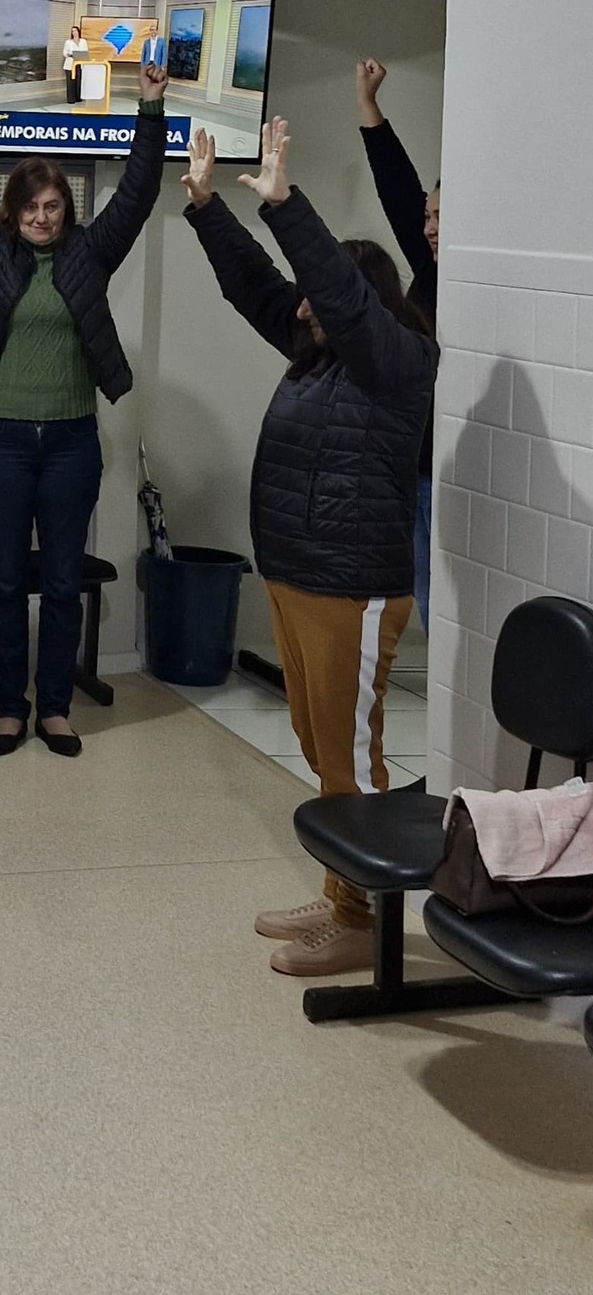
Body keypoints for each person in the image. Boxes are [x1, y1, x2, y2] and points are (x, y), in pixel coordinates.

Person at [182, 115, 438, 980]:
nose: (301, 308)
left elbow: (331, 289)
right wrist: (208, 208)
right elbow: (259, 286)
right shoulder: (317, 353)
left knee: (352, 758)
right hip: (298, 579)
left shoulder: (398, 361)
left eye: (318, 297)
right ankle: (339, 895)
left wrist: (287, 203)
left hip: (352, 588)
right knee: (320, 745)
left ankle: (364, 921)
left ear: (356, 301)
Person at [0, 59, 167, 757]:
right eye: (30, 208)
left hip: (70, 444)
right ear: (12, 211)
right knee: (4, 579)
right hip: (0, 439)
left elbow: (138, 194)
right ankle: (10, 708)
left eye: (52, 207)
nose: (41, 217)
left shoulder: (90, 253)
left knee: (61, 581)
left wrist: (150, 110)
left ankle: (54, 708)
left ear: (66, 210)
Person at [356, 56, 439, 633]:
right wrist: (369, 106)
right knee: (425, 592)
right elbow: (399, 190)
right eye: (428, 216)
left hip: (446, 467)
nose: (429, 227)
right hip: (413, 459)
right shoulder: (431, 270)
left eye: (440, 217)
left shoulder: (472, 282)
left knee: (441, 602)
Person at [62, 24, 84, 106]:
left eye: (75, 31)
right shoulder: (68, 42)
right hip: (70, 65)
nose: (74, 32)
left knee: (78, 81)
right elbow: (64, 53)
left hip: (79, 64)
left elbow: (85, 51)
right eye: (72, 31)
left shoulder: (83, 41)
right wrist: (71, 55)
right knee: (71, 82)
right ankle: (71, 99)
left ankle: (78, 97)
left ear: (78, 32)